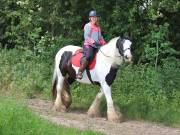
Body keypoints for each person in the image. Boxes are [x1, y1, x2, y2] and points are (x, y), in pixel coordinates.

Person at [76, 10, 106, 79]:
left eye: (95, 17)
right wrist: (93, 42)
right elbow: (86, 37)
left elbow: (100, 37)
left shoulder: (98, 27)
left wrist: (104, 43)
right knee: (89, 56)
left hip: (97, 46)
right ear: (90, 18)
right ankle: (80, 71)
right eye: (93, 17)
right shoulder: (87, 25)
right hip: (88, 45)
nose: (94, 18)